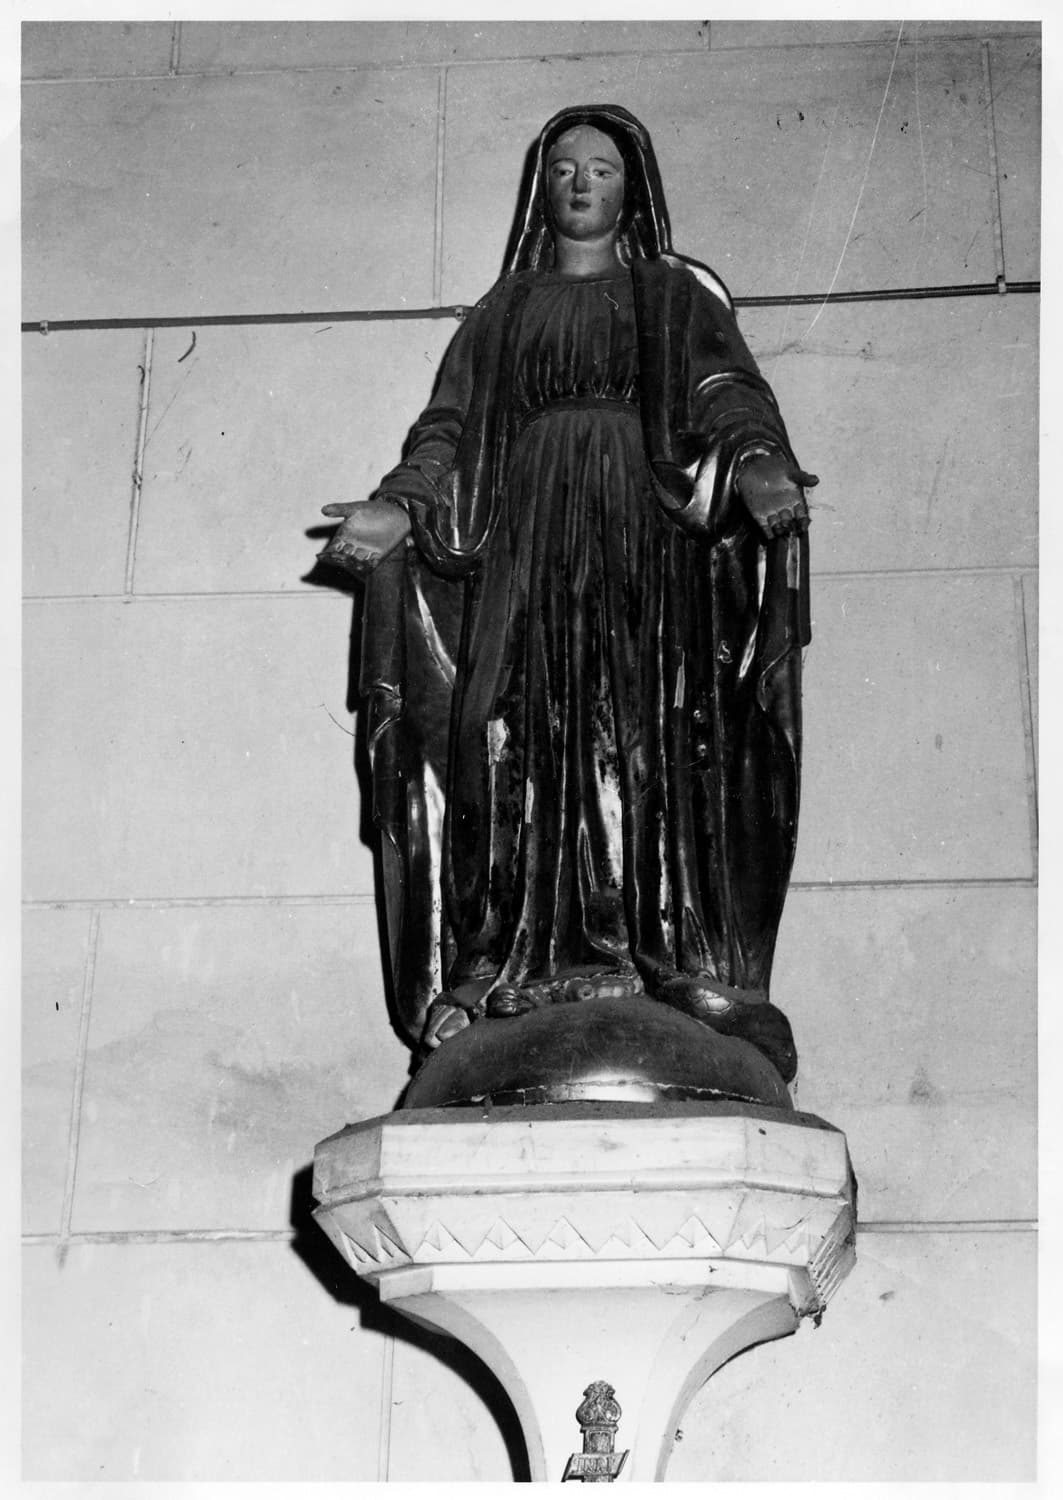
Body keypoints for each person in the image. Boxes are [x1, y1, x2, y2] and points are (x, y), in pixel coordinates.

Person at [319, 105, 817, 1083]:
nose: (580, 182)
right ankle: (512, 963)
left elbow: (725, 394)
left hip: (645, 550)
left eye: (601, 167)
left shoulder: (669, 296)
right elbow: (447, 431)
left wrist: (758, 462)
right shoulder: (503, 312)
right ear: (538, 187)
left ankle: (660, 957)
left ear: (634, 188)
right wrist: (399, 508)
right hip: (529, 545)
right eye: (562, 167)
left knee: (641, 734)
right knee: (513, 730)